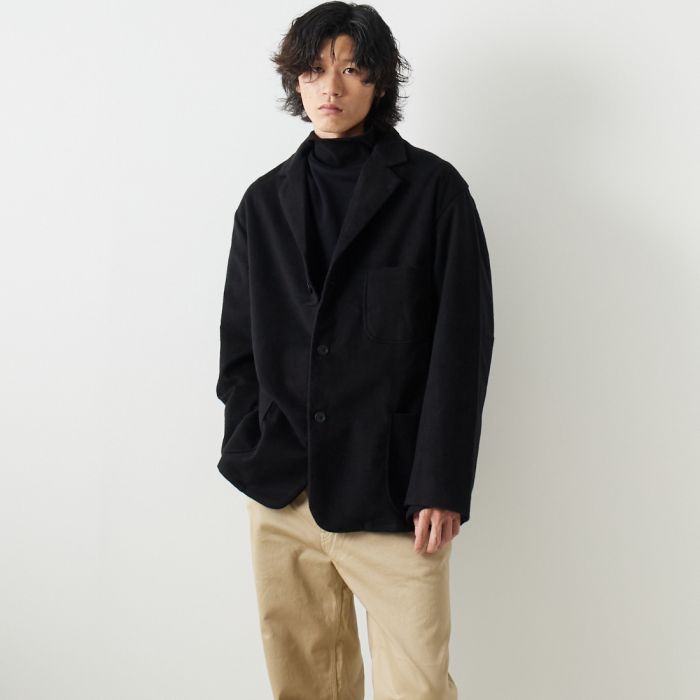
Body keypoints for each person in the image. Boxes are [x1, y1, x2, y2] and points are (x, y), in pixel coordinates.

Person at [215, 3, 494, 698]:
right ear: (295, 82)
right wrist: (250, 441)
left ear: (378, 80)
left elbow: (462, 347)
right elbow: (239, 347)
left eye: (349, 69)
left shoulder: (435, 193)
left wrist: (440, 483)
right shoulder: (263, 205)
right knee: (304, 686)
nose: (329, 87)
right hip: (284, 494)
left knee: (417, 686)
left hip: (394, 494)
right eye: (313, 71)